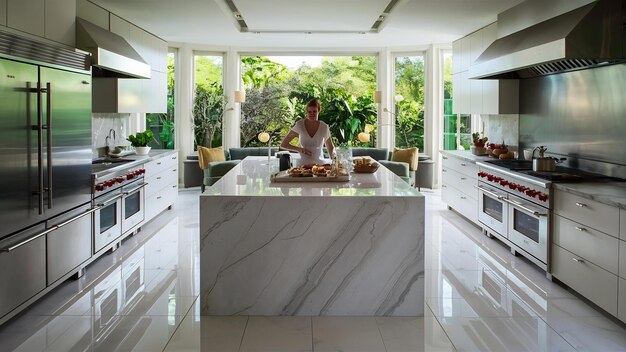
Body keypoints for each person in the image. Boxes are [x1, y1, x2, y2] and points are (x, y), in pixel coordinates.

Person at [280, 98, 335, 166]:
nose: (312, 114)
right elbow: (283, 144)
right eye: (309, 112)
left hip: (319, 166)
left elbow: (330, 148)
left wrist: (335, 163)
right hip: (302, 166)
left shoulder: (324, 127)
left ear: (318, 111)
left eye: (314, 111)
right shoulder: (300, 125)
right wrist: (300, 149)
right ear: (306, 112)